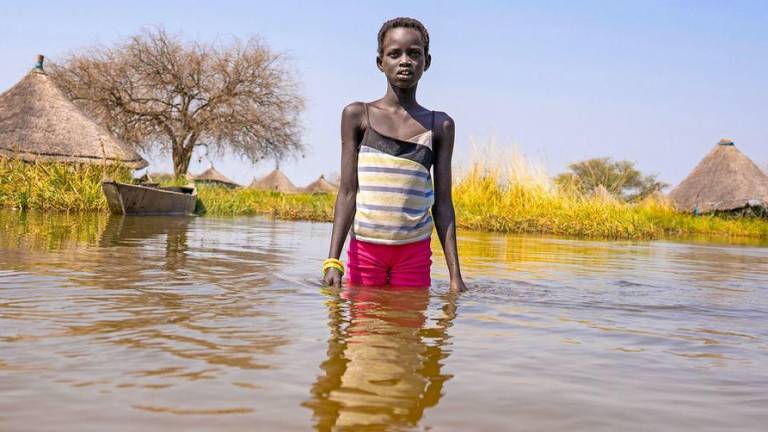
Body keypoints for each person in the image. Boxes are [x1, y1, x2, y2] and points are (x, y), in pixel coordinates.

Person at [322, 17, 466, 292]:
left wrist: (455, 277)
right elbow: (348, 192)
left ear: (427, 61)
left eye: (414, 53)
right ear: (380, 62)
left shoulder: (439, 126)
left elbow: (443, 204)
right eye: (394, 53)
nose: (405, 61)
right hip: (366, 249)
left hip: (413, 253)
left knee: (409, 327)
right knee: (362, 331)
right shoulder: (357, 116)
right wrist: (332, 261)